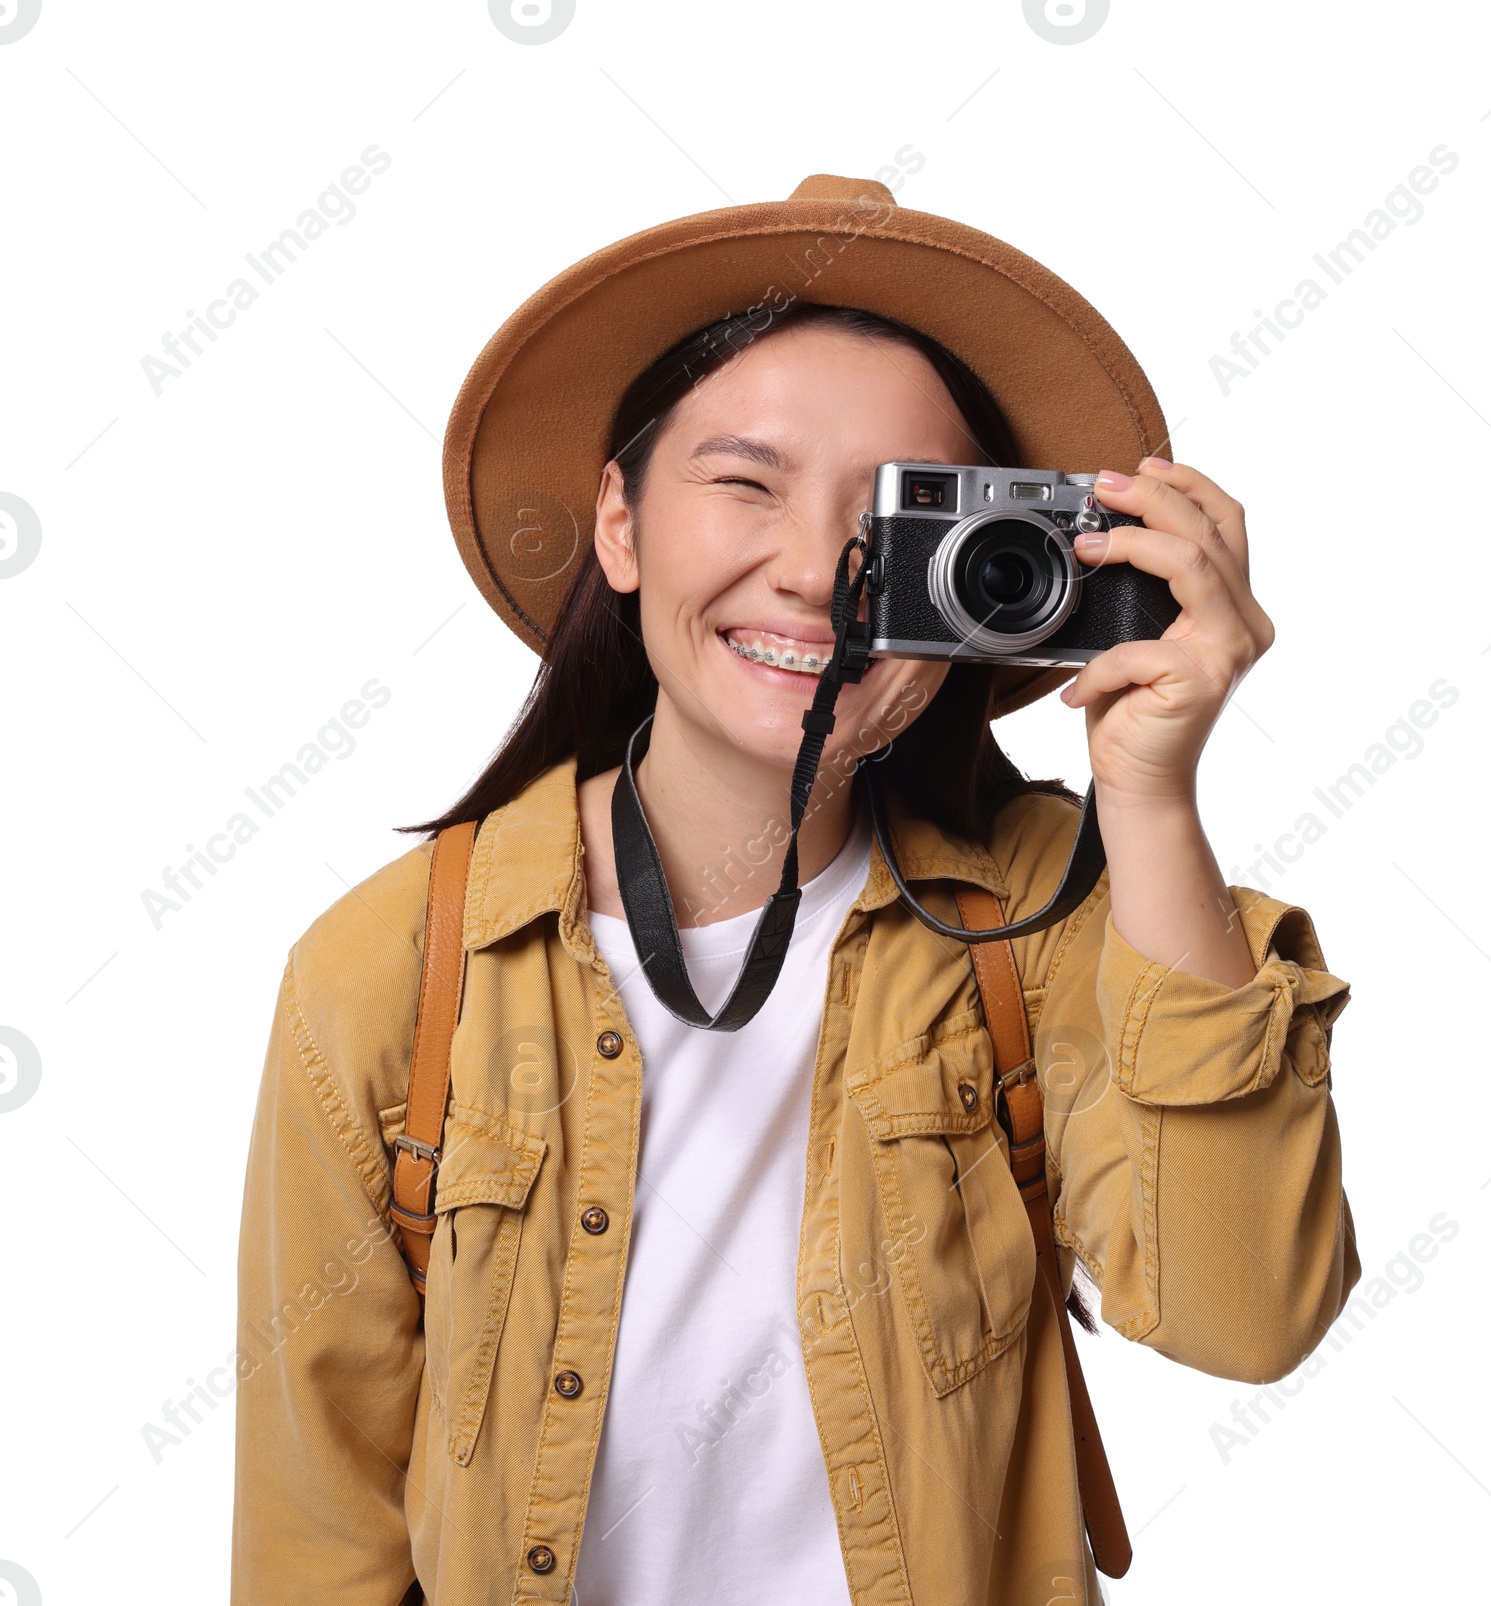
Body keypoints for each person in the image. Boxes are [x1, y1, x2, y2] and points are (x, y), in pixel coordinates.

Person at [231, 175, 1359, 1606]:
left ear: (989, 573)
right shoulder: (393, 967)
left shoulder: (1050, 920)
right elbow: (313, 1530)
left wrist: (1150, 793)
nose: (820, 580)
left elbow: (1246, 1313)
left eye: (895, 521)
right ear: (621, 525)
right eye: (746, 483)